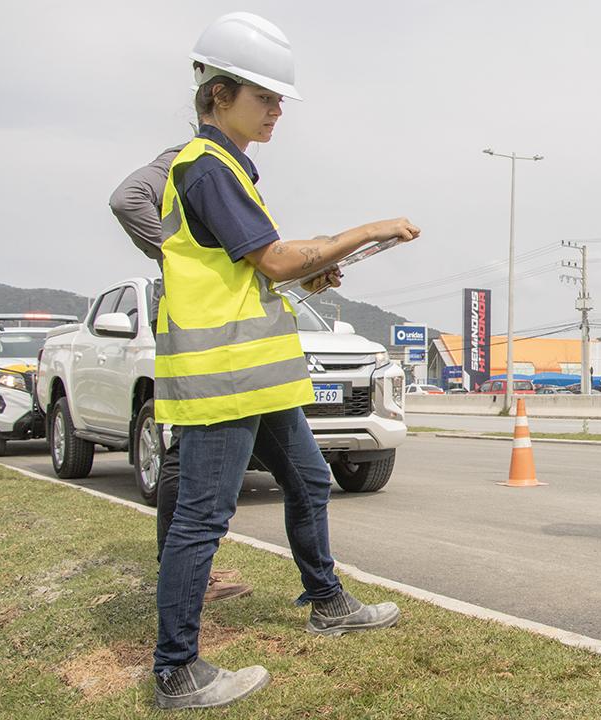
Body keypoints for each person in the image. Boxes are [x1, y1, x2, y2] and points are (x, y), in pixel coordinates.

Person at [150, 12, 420, 709]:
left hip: (258, 378)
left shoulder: (230, 168)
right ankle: (176, 669)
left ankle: (326, 601)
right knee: (203, 520)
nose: (276, 110)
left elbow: (256, 269)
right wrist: (364, 230)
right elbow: (272, 257)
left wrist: (311, 269)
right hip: (226, 382)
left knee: (308, 479)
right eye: (265, 97)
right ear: (219, 94)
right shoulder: (206, 168)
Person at [111, 145, 253, 605]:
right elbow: (127, 198)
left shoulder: (228, 165)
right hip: (195, 317)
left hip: (220, 318)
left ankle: (195, 568)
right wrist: (175, 257)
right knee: (189, 441)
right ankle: (189, 573)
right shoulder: (187, 159)